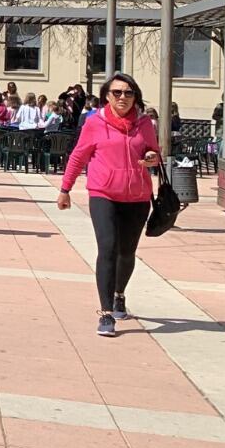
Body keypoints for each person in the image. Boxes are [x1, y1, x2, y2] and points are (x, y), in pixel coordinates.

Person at [59, 72, 160, 338]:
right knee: (108, 248)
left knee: (126, 253)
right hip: (104, 194)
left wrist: (151, 157)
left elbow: (153, 151)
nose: (123, 98)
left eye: (128, 93)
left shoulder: (145, 123)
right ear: (107, 96)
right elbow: (79, 156)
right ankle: (105, 314)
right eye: (117, 93)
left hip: (137, 197)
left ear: (135, 96)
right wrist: (65, 189)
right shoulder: (95, 123)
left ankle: (119, 295)